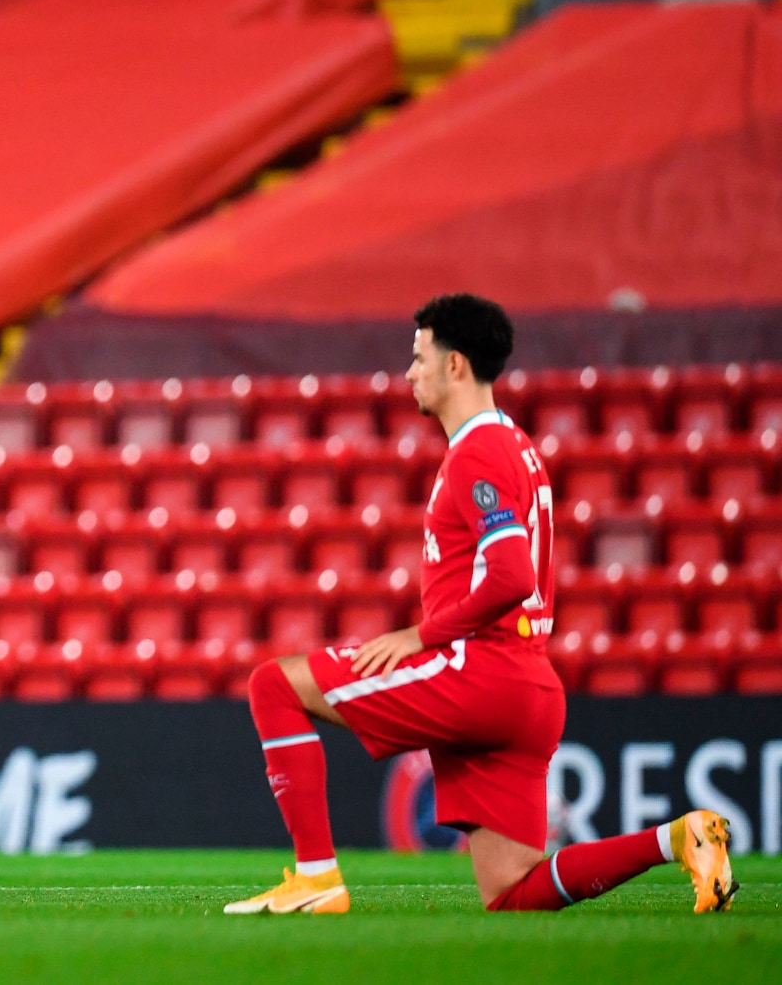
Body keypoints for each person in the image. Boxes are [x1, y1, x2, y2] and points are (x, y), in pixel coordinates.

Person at [225, 294, 736, 915]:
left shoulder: (478, 452)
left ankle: (315, 878)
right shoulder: (516, 446)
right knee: (512, 892)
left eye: (419, 358)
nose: (409, 373)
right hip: (528, 686)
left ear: (455, 365)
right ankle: (678, 839)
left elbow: (512, 574)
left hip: (477, 674)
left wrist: (420, 635)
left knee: (273, 685)